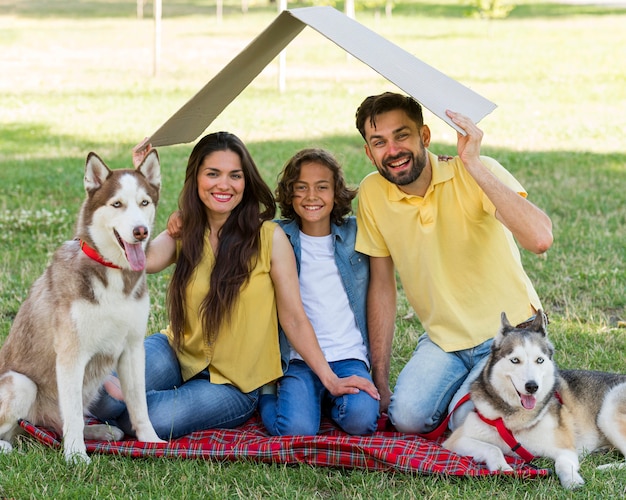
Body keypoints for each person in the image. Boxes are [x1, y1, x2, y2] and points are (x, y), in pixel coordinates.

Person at [89, 132, 378, 440]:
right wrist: (140, 195)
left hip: (235, 385)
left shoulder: (270, 239)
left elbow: (294, 317)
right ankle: (106, 410)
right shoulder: (187, 230)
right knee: (99, 393)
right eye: (213, 174)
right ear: (196, 179)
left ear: (246, 181)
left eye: (234, 176)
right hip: (177, 351)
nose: (223, 185)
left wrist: (331, 381)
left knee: (153, 419)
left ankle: (116, 415)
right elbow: (143, 260)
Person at [353, 92, 553, 434]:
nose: (393, 150)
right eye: (379, 142)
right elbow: (383, 288)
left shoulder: (477, 170)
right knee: (407, 419)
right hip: (444, 339)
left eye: (402, 135)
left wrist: (472, 164)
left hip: (511, 336)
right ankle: (470, 389)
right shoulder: (372, 192)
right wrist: (381, 380)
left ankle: (488, 393)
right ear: (369, 153)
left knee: (468, 422)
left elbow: (539, 238)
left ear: (424, 136)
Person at [258, 148, 380, 436]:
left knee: (361, 421)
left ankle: (322, 399)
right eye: (301, 188)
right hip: (299, 358)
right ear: (289, 194)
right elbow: (228, 230)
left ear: (336, 192)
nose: (311, 196)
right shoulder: (277, 236)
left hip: (348, 355)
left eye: (322, 187)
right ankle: (267, 394)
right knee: (296, 431)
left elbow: (400, 216)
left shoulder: (357, 234)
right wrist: (181, 219)